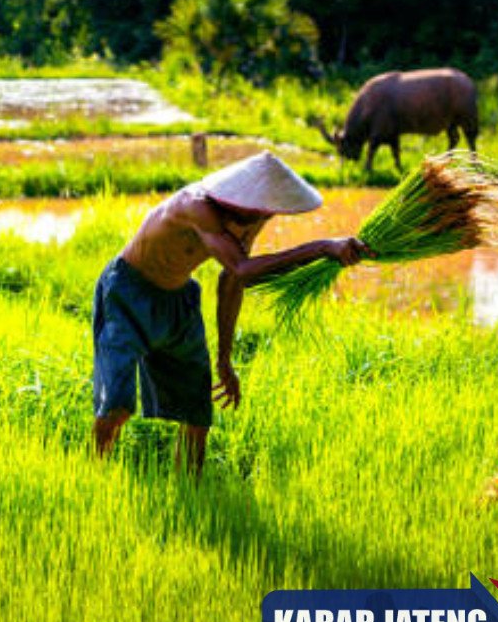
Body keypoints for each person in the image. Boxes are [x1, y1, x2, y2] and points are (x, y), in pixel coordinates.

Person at [92, 151, 371, 473]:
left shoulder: (252, 219)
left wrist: (224, 359)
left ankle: (190, 487)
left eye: (270, 209)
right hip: (128, 293)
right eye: (261, 208)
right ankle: (96, 473)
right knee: (117, 406)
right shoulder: (196, 206)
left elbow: (232, 282)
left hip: (179, 299)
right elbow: (243, 269)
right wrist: (322, 247)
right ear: (241, 197)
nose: (266, 215)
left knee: (197, 415)